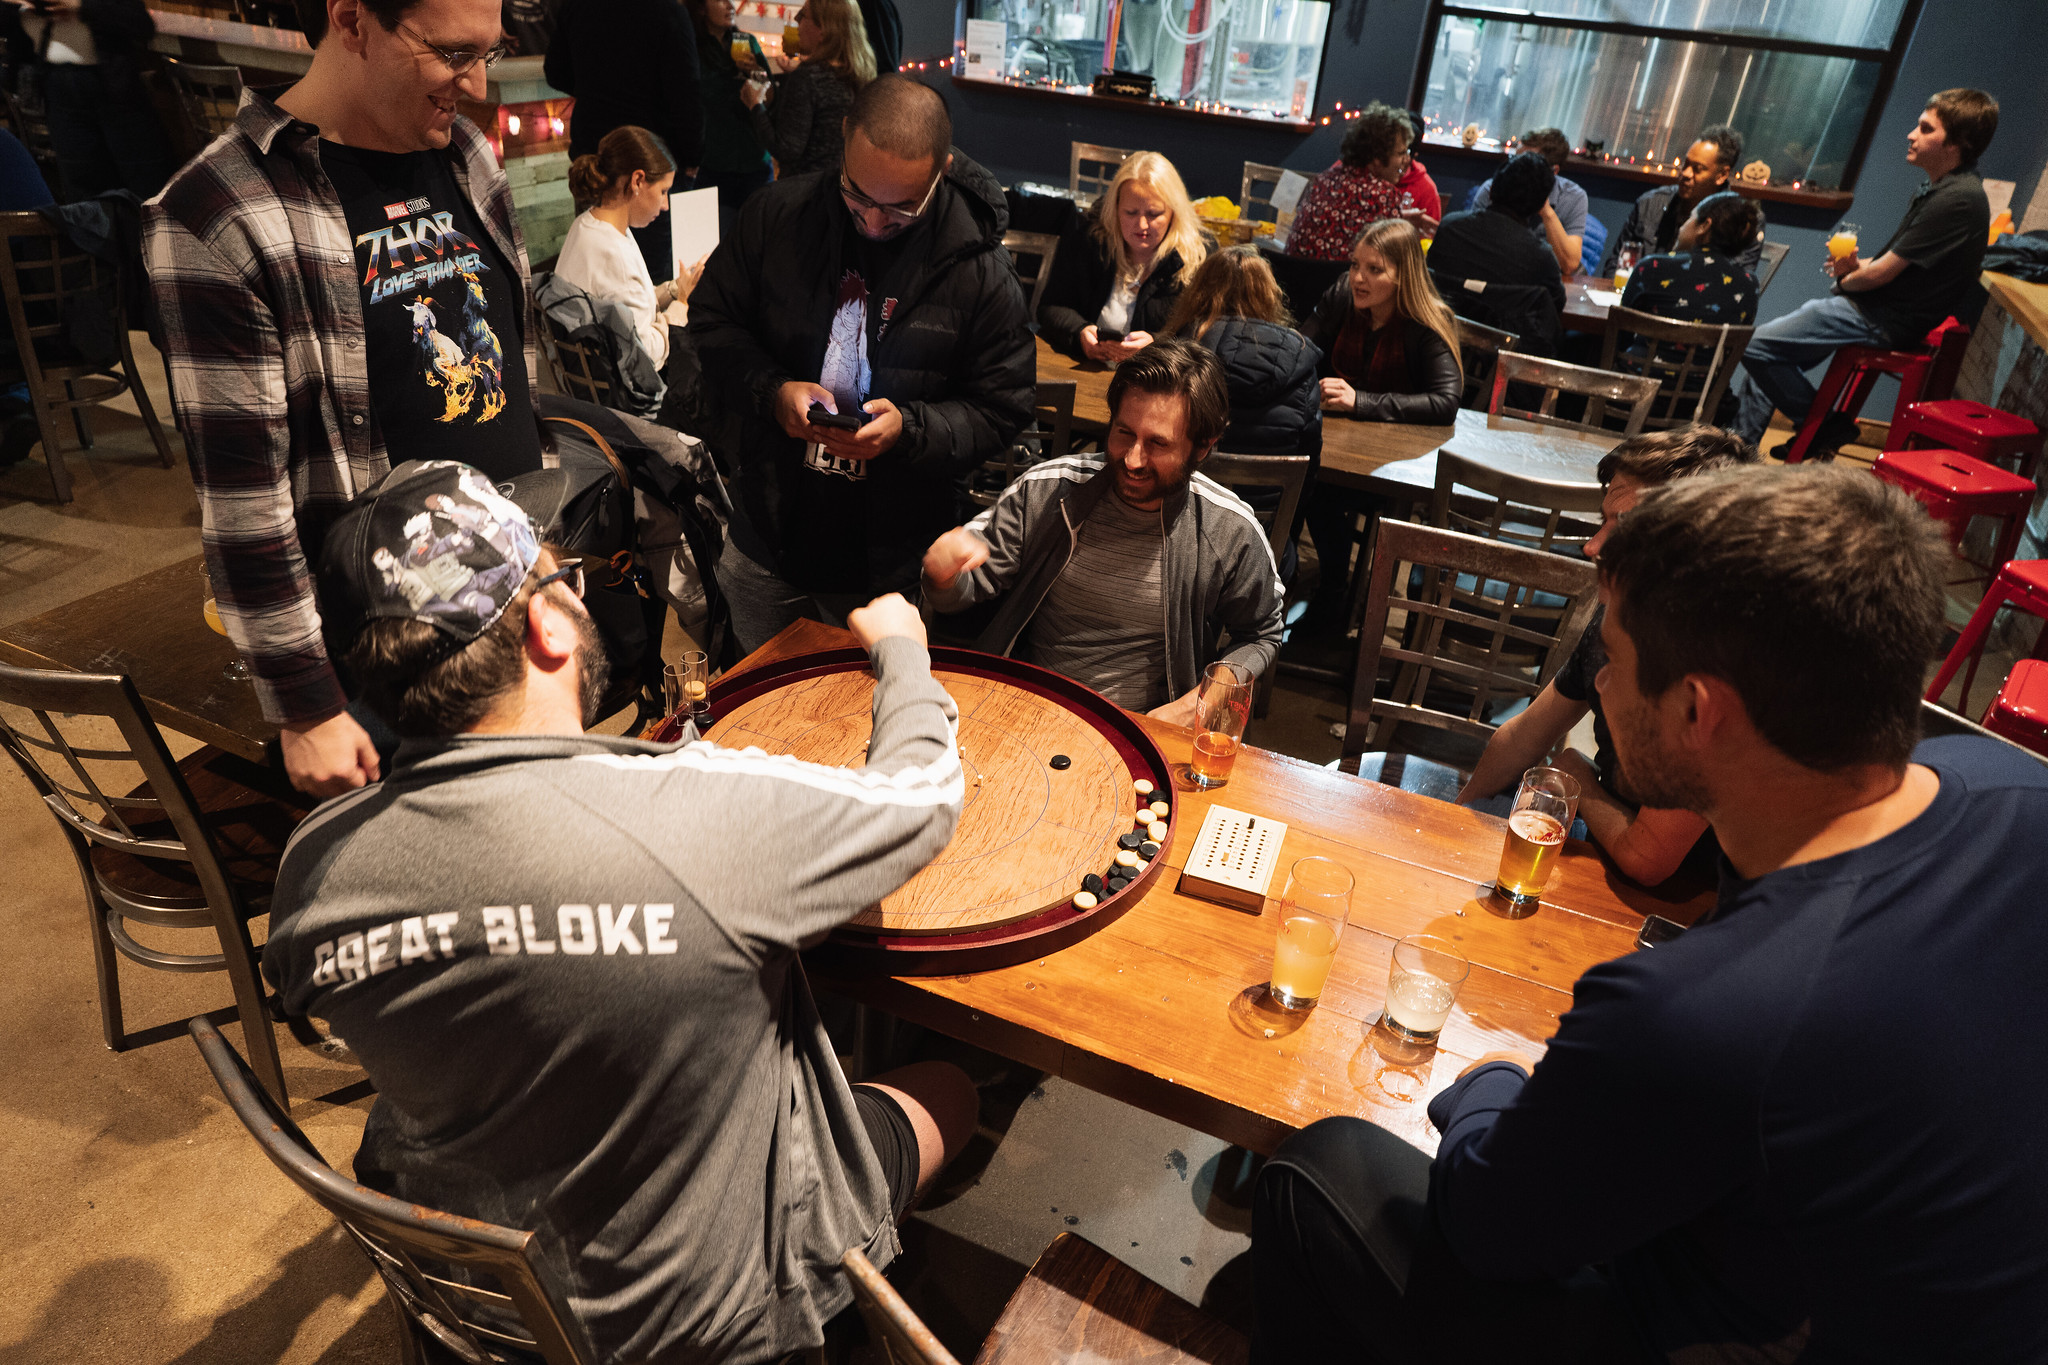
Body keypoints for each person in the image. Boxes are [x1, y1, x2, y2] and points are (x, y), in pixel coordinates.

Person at [1250, 463, 2048, 1361]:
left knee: (1318, 1168)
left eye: (1615, 663)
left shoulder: (1697, 1011)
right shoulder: (2021, 790)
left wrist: (1489, 1085)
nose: (1601, 690)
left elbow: (1485, 1226)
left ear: (1699, 708)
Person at [264, 458, 978, 1365]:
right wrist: (903, 650)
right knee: (949, 1089)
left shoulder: (312, 869)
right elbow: (921, 800)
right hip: (719, 1324)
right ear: (547, 628)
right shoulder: (697, 814)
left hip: (491, 1304)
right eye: (565, 578)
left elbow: (307, 991)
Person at [144, 0, 545, 799]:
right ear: (352, 20)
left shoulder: (466, 151)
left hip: (518, 602)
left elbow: (517, 371)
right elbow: (243, 501)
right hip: (391, 654)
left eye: (488, 54)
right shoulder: (217, 213)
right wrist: (305, 707)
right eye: (452, 55)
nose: (475, 86)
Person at [686, 74, 1033, 654]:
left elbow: (1002, 407)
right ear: (845, 138)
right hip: (768, 528)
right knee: (752, 705)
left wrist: (911, 427)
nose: (873, 223)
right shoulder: (775, 216)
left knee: (863, 729)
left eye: (900, 210)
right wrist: (773, 392)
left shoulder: (980, 272)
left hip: (892, 561)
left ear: (941, 169)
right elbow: (713, 324)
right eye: (858, 197)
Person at [920, 339, 1285, 724]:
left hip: (1142, 728)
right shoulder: (1048, 491)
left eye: (1158, 443)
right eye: (1124, 432)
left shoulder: (1228, 529)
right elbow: (958, 594)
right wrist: (942, 577)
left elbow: (1262, 633)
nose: (1133, 459)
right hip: (1025, 706)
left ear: (1202, 448)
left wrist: (1196, 705)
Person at [1456, 425, 1758, 886]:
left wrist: (1578, 776)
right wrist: (1457, 816)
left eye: (1624, 528)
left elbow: (1648, 859)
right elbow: (1524, 736)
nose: (1593, 546)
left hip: (1682, 902)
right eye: (1604, 521)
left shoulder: (1720, 668)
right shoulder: (1621, 614)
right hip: (1606, 842)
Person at [1730, 89, 1998, 455]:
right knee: (1773, 354)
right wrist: (1856, 267)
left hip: (1885, 318)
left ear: (1957, 144)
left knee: (1755, 344)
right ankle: (1740, 451)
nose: (1911, 134)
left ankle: (1824, 427)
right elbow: (1892, 260)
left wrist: (1847, 279)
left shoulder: (1956, 199)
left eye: (1925, 129)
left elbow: (1881, 275)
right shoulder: (1943, 190)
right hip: (1879, 309)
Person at [542, 0, 702, 282]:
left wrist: (595, 89)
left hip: (593, 151)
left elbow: (555, 71)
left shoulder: (578, 6)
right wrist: (692, 158)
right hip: (650, 159)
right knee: (648, 276)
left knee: (592, 263)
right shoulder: (667, 11)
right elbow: (686, 93)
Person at [1037, 150, 1209, 365]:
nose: (1142, 225)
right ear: (1115, 208)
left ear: (1174, 213)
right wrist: (1079, 332)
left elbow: (1203, 336)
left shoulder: (1198, 258)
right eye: (1131, 212)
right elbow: (1050, 307)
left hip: (1156, 381)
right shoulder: (1091, 238)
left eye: (1154, 214)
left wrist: (1157, 345)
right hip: (1088, 370)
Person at [555, 126, 696, 376]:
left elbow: (625, 304)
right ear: (637, 181)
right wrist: (681, 305)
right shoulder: (613, 253)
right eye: (663, 191)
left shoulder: (587, 224)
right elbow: (645, 355)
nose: (665, 205)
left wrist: (674, 289)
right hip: (621, 400)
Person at [1, 0, 172, 199]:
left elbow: (141, 25)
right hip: (55, 83)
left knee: (147, 183)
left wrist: (81, 7)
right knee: (83, 191)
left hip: (113, 85)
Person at [1165, 246, 1319, 461]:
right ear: (1269, 295)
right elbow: (1309, 449)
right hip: (1269, 493)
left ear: (1198, 292)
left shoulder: (1176, 350)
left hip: (1187, 491)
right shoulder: (1298, 356)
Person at [1302, 218, 1460, 424]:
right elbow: (1299, 352)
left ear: (1403, 275)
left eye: (1374, 269)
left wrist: (1360, 401)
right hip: (1338, 429)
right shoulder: (1343, 293)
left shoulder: (1428, 321)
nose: (1358, 278)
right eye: (1355, 265)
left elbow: (1445, 403)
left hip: (1404, 444)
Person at [1604, 124, 1763, 274]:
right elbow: (1614, 266)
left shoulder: (1741, 222)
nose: (1685, 173)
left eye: (1697, 169)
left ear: (1721, 175)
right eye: (1685, 164)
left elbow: (1732, 283)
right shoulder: (1650, 203)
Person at [742, 0, 873, 176]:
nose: (796, 22)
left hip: (805, 193)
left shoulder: (807, 78)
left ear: (824, 30)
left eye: (802, 15)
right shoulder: (862, 75)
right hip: (841, 188)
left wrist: (755, 105)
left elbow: (786, 149)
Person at [1285, 102, 1413, 262]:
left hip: (1294, 281)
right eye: (1402, 153)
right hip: (1343, 285)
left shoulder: (1323, 179)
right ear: (1377, 158)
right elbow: (1391, 260)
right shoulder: (1385, 195)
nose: (1407, 160)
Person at [1617, 191, 1764, 325]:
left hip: (1645, 355)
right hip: (1713, 356)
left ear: (1704, 226)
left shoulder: (1652, 267)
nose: (1682, 227)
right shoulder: (1749, 284)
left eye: (1689, 218)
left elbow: (1620, 331)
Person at [687, 0, 772, 231]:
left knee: (757, 238)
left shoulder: (745, 41)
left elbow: (770, 95)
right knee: (716, 240)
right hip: (713, 163)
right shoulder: (693, 46)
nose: (731, 5)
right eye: (721, 0)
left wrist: (754, 69)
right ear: (701, 7)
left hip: (754, 161)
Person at [1470, 128, 1589, 278]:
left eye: (1525, 163)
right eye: (1514, 159)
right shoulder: (1492, 189)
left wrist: (1546, 211)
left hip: (1544, 281)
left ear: (1554, 171)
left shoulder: (1573, 197)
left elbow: (1569, 264)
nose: (1515, 168)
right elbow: (1473, 246)